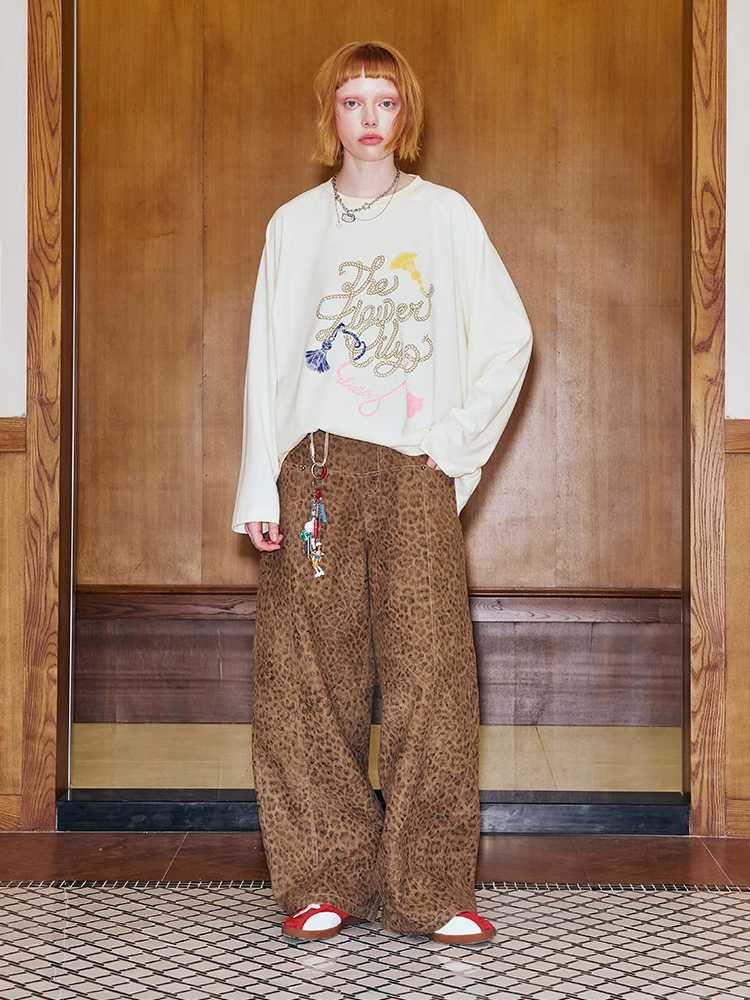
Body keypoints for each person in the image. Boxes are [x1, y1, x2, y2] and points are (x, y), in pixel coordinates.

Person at [231, 39, 533, 944]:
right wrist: (259, 486)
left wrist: (454, 442)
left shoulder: (445, 217)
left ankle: (431, 889)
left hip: (412, 471)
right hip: (314, 470)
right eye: (353, 100)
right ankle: (323, 878)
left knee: (431, 675)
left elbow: (509, 338)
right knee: (305, 677)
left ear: (407, 115)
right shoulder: (293, 226)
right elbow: (266, 364)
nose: (369, 117)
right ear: (330, 114)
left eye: (386, 101)